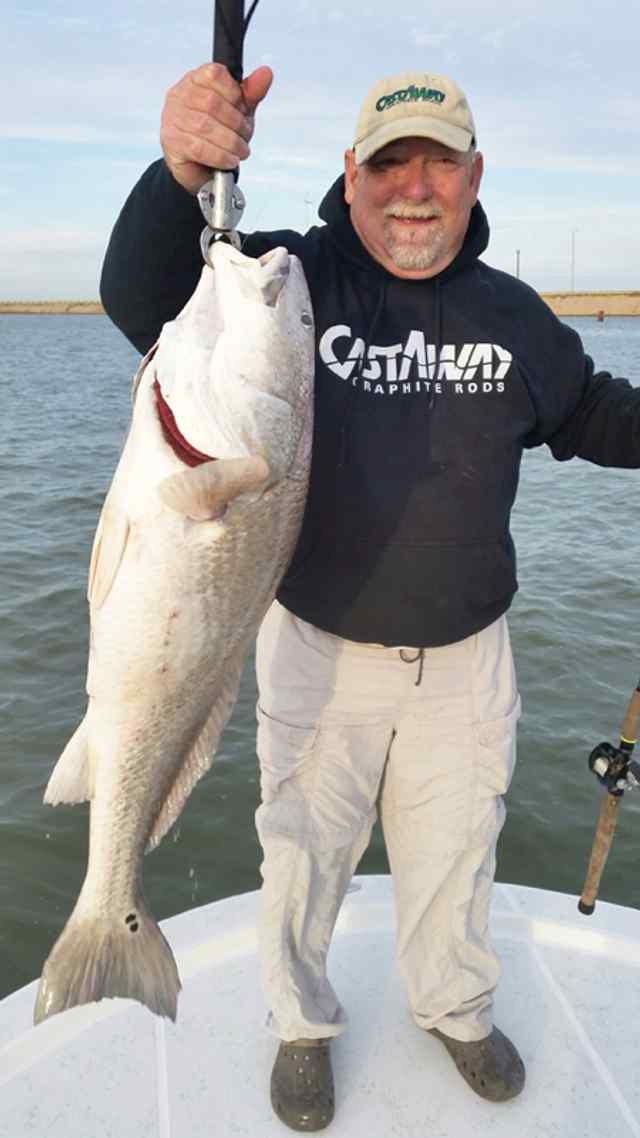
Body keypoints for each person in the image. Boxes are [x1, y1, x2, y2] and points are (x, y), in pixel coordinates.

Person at [100, 64, 640, 1131]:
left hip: (466, 664)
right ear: (349, 177)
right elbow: (142, 297)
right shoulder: (287, 282)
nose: (413, 187)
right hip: (315, 651)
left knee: (455, 860)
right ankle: (301, 1026)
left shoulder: (514, 316)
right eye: (389, 162)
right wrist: (177, 175)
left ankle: (453, 1006)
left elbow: (593, 416)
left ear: (473, 176)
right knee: (299, 857)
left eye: (438, 160)